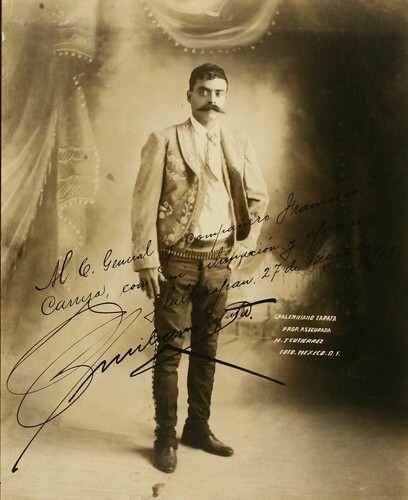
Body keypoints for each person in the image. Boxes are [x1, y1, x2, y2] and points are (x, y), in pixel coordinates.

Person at [131, 63, 269, 473]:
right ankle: (165, 437)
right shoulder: (163, 140)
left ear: (226, 97)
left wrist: (242, 248)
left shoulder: (238, 142)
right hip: (177, 260)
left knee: (208, 349)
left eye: (219, 92)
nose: (212, 99)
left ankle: (197, 428)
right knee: (171, 349)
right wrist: (145, 259)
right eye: (204, 91)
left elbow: (258, 198)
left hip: (219, 260)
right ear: (189, 95)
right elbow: (143, 203)